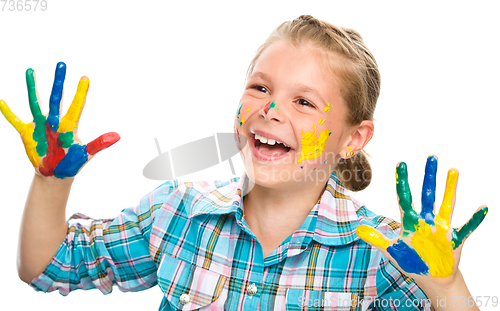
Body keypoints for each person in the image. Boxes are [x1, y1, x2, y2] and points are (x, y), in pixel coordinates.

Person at [0, 15, 487, 310]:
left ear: (353, 138)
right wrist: (50, 180)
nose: (270, 110)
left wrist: (447, 285)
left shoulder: (386, 257)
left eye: (304, 102)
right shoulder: (178, 214)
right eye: (260, 88)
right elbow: (46, 267)